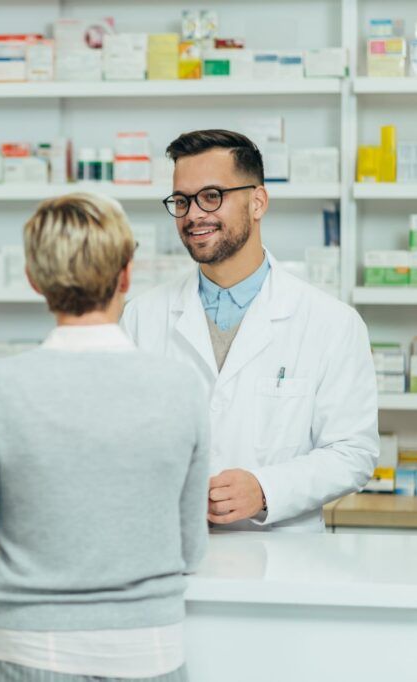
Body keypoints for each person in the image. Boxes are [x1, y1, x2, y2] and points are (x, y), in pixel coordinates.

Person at [0, 193, 210, 682]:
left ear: (34, 280)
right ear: (126, 277)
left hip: (31, 657)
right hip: (151, 657)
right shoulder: (182, 388)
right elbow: (190, 551)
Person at [122, 129, 378, 532]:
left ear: (257, 202)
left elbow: (353, 452)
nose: (193, 215)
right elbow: (121, 438)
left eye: (211, 196)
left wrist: (265, 489)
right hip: (168, 551)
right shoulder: (142, 317)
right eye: (182, 200)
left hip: (281, 561)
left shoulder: (332, 323)